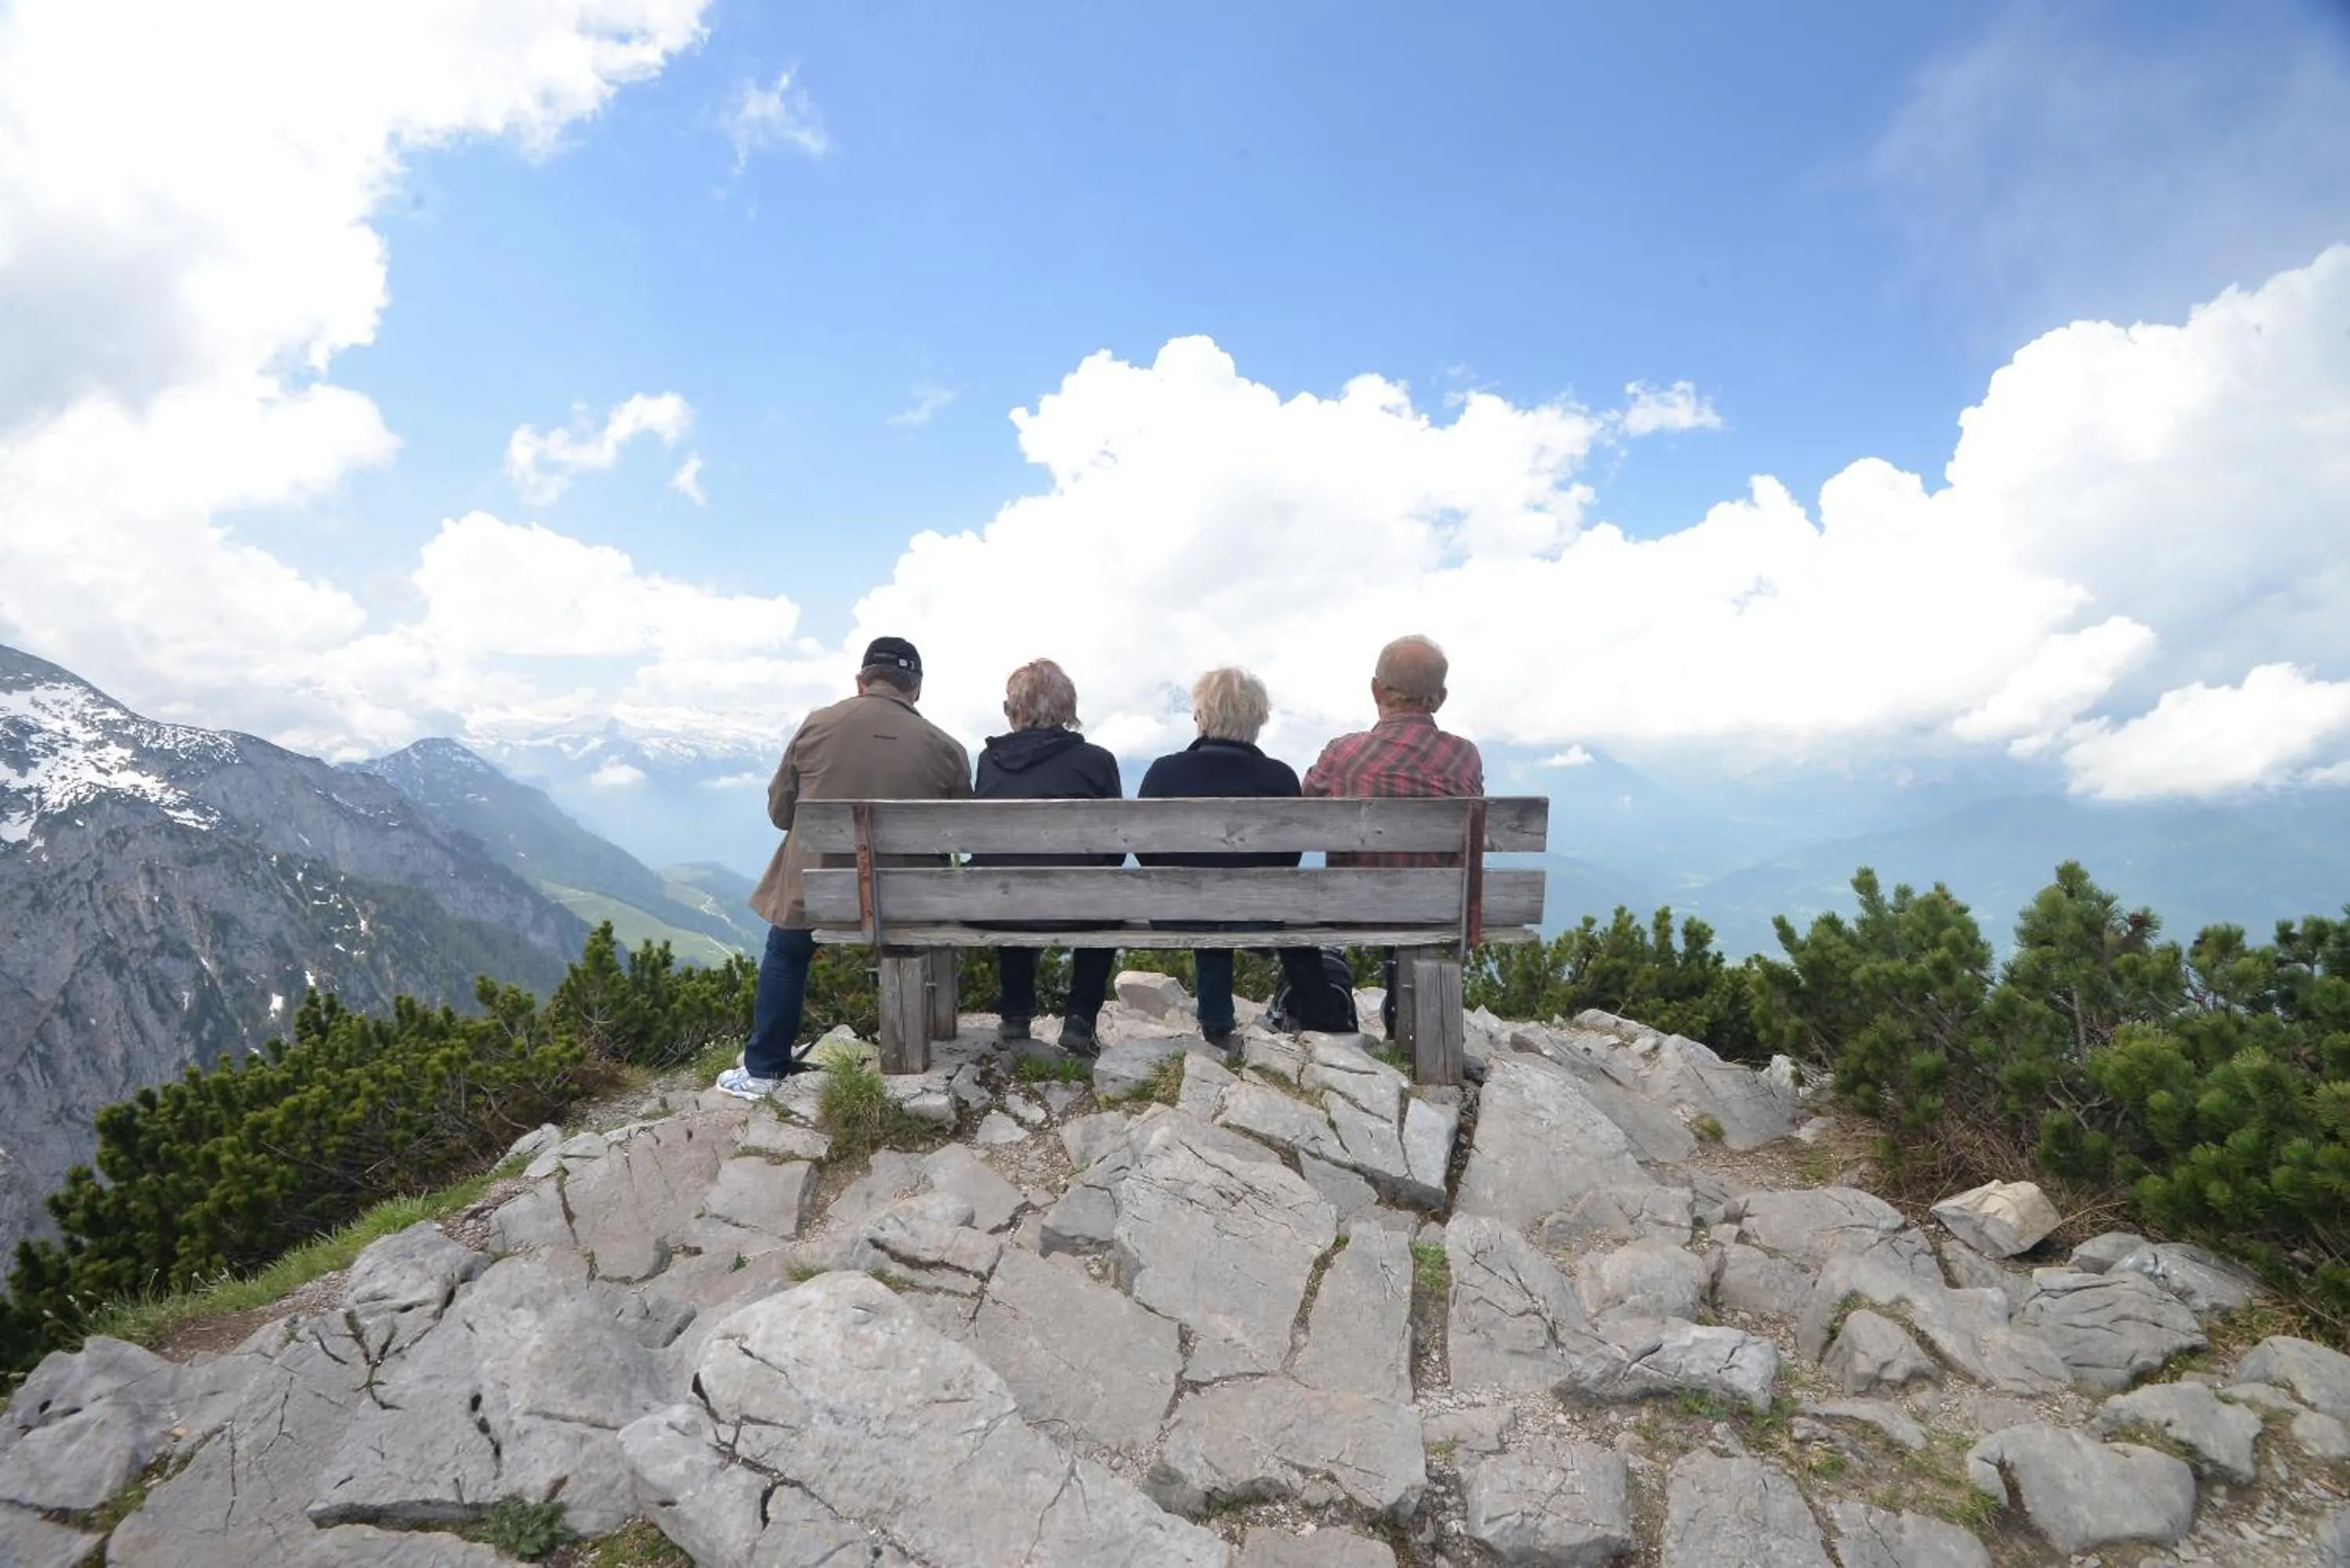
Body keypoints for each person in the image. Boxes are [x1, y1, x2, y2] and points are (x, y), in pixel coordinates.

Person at [721, 636, 971, 1099]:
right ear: (915, 688)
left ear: (861, 683)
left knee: (786, 950)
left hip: (815, 896)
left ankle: (765, 1068)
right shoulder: (946, 748)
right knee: (905, 933)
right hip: (907, 904)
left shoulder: (817, 726)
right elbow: (960, 835)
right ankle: (920, 1045)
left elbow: (780, 814)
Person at [1137, 667, 1340, 1055]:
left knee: (1206, 901)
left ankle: (1217, 1025)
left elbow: (1145, 850)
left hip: (1177, 909)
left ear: (1200, 717)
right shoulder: (1280, 777)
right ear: (1258, 721)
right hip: (1259, 910)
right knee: (1265, 903)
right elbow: (1288, 857)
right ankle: (1323, 1019)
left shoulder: (1164, 773)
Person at [1302, 634, 1485, 1038]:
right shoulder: (1465, 756)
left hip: (1355, 906)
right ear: (1440, 698)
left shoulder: (1342, 754)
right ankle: (1407, 1016)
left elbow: (1304, 808)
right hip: (1438, 907)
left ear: (1375, 690)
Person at [972, 659, 1123, 1057]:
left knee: (1009, 884)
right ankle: (1078, 1021)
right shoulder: (1098, 762)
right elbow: (1115, 851)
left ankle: (1016, 1015)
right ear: (1065, 711)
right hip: (1079, 906)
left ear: (1017, 712)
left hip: (1001, 905)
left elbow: (985, 849)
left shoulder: (990, 763)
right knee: (1105, 901)